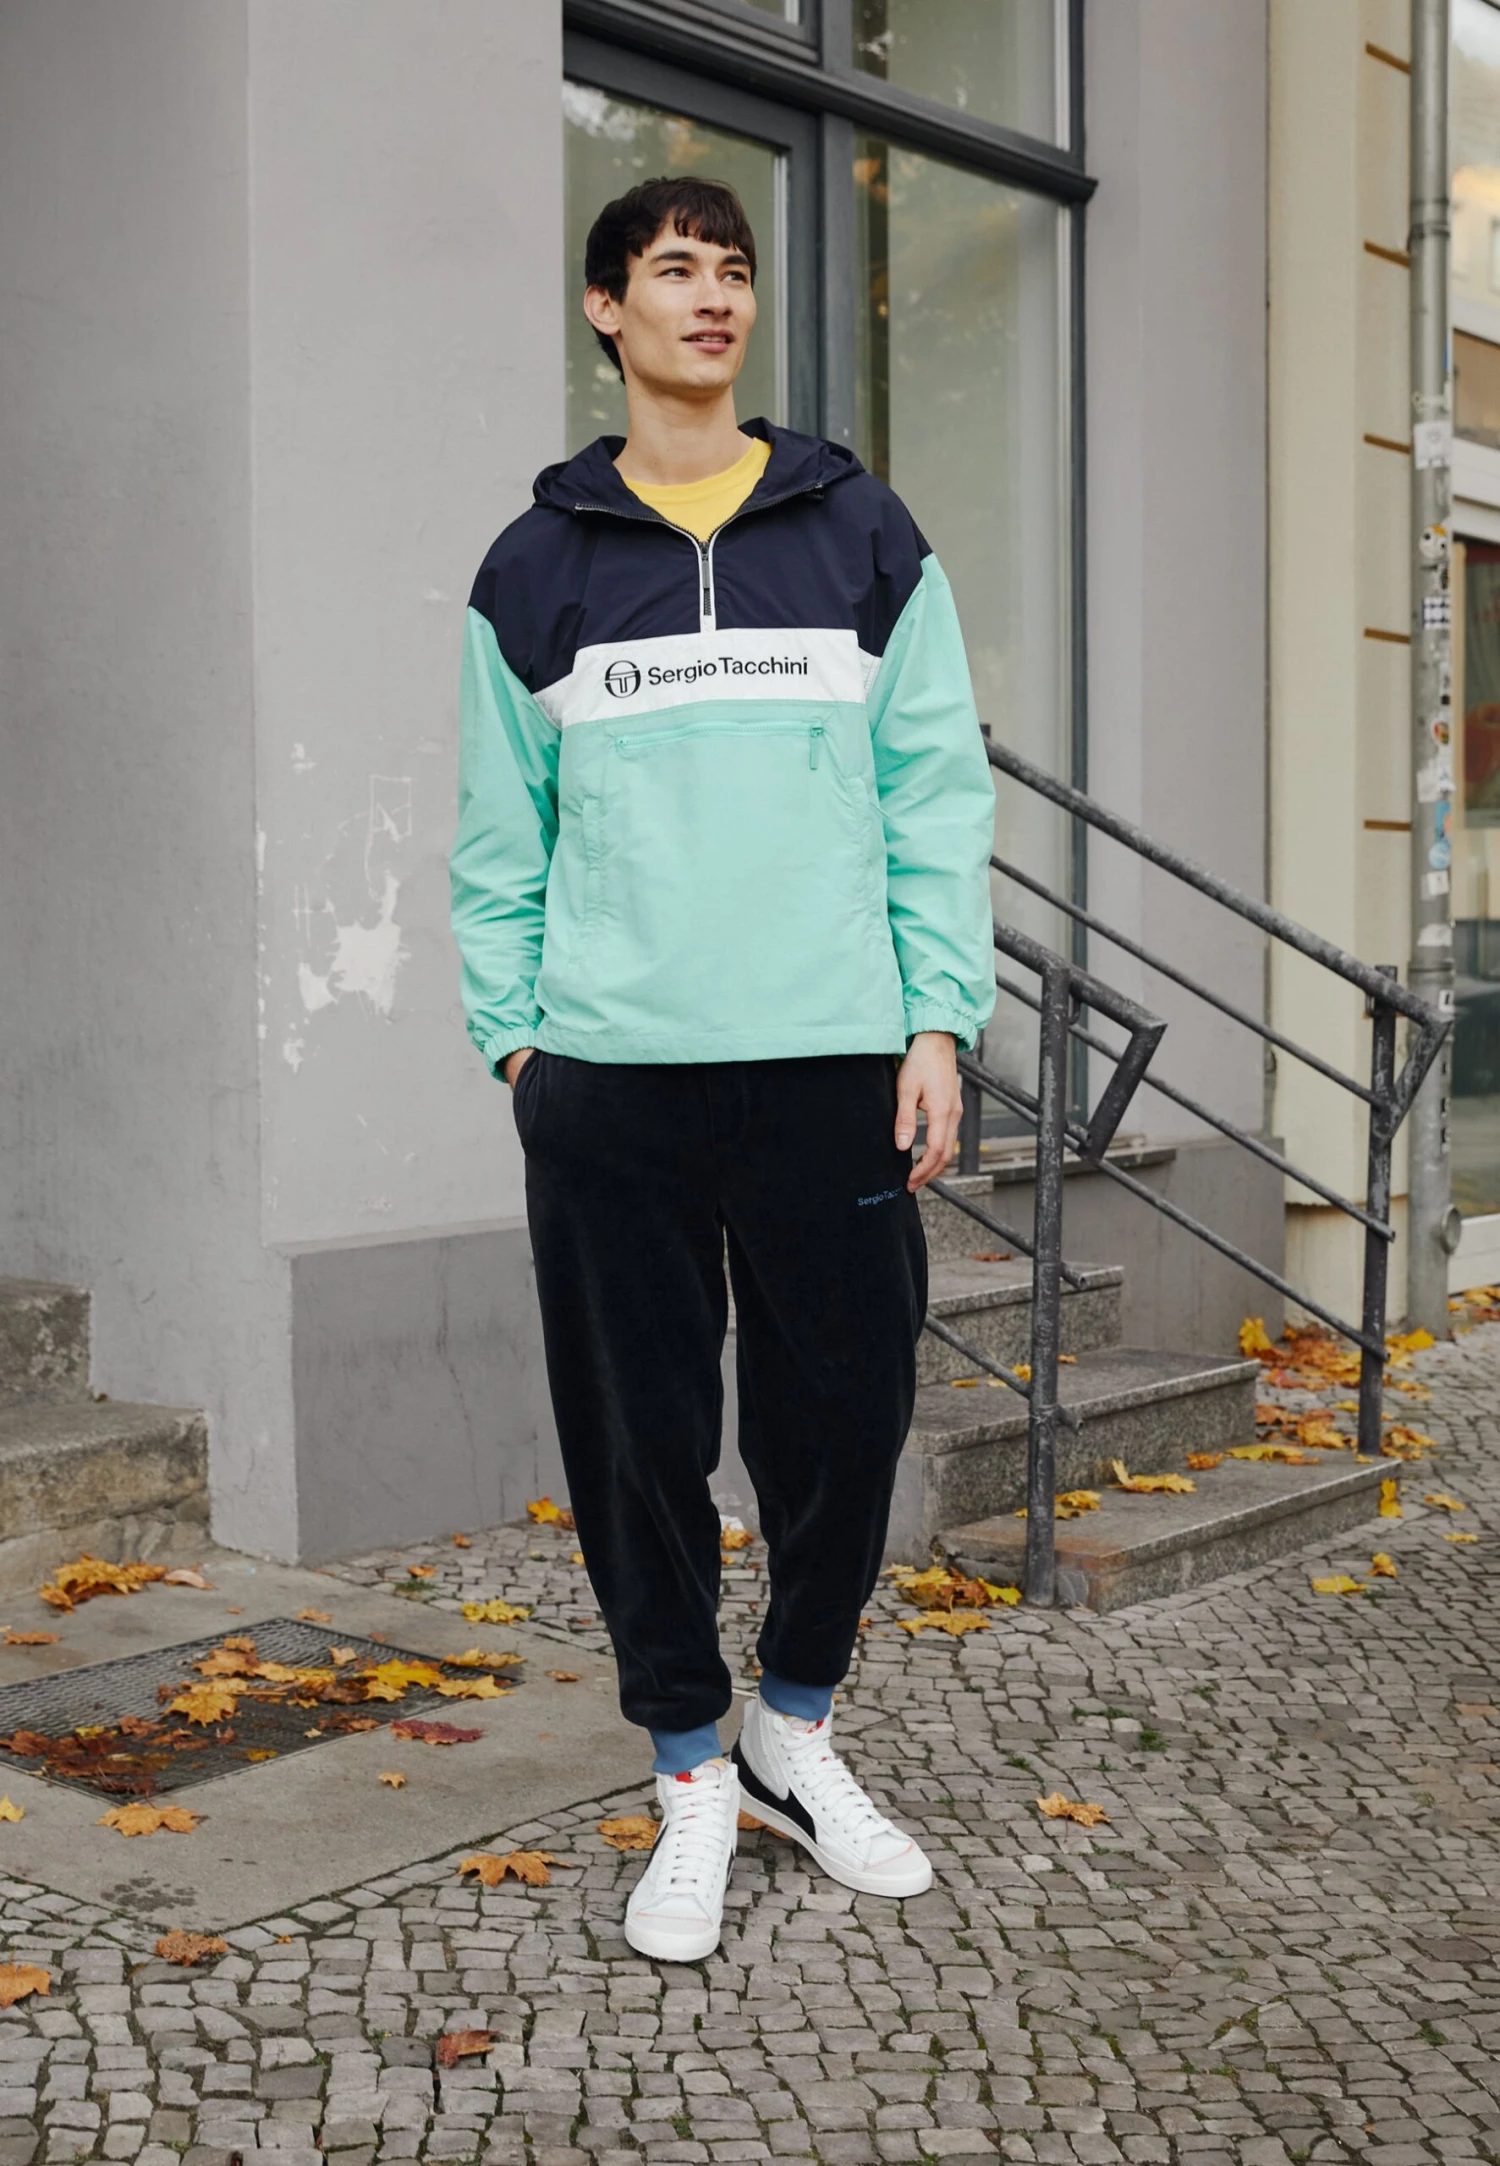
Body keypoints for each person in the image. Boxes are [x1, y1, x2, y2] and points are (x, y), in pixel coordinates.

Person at [450, 175, 996, 1962]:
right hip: (613, 1078)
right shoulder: (535, 569)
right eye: (675, 269)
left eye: (734, 270)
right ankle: (689, 1763)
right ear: (605, 309)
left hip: (838, 1059)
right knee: (638, 1438)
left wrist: (936, 1018)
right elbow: (497, 836)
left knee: (846, 1418)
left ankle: (795, 1725)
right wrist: (520, 1045)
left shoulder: (862, 535)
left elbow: (935, 791)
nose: (713, 296)